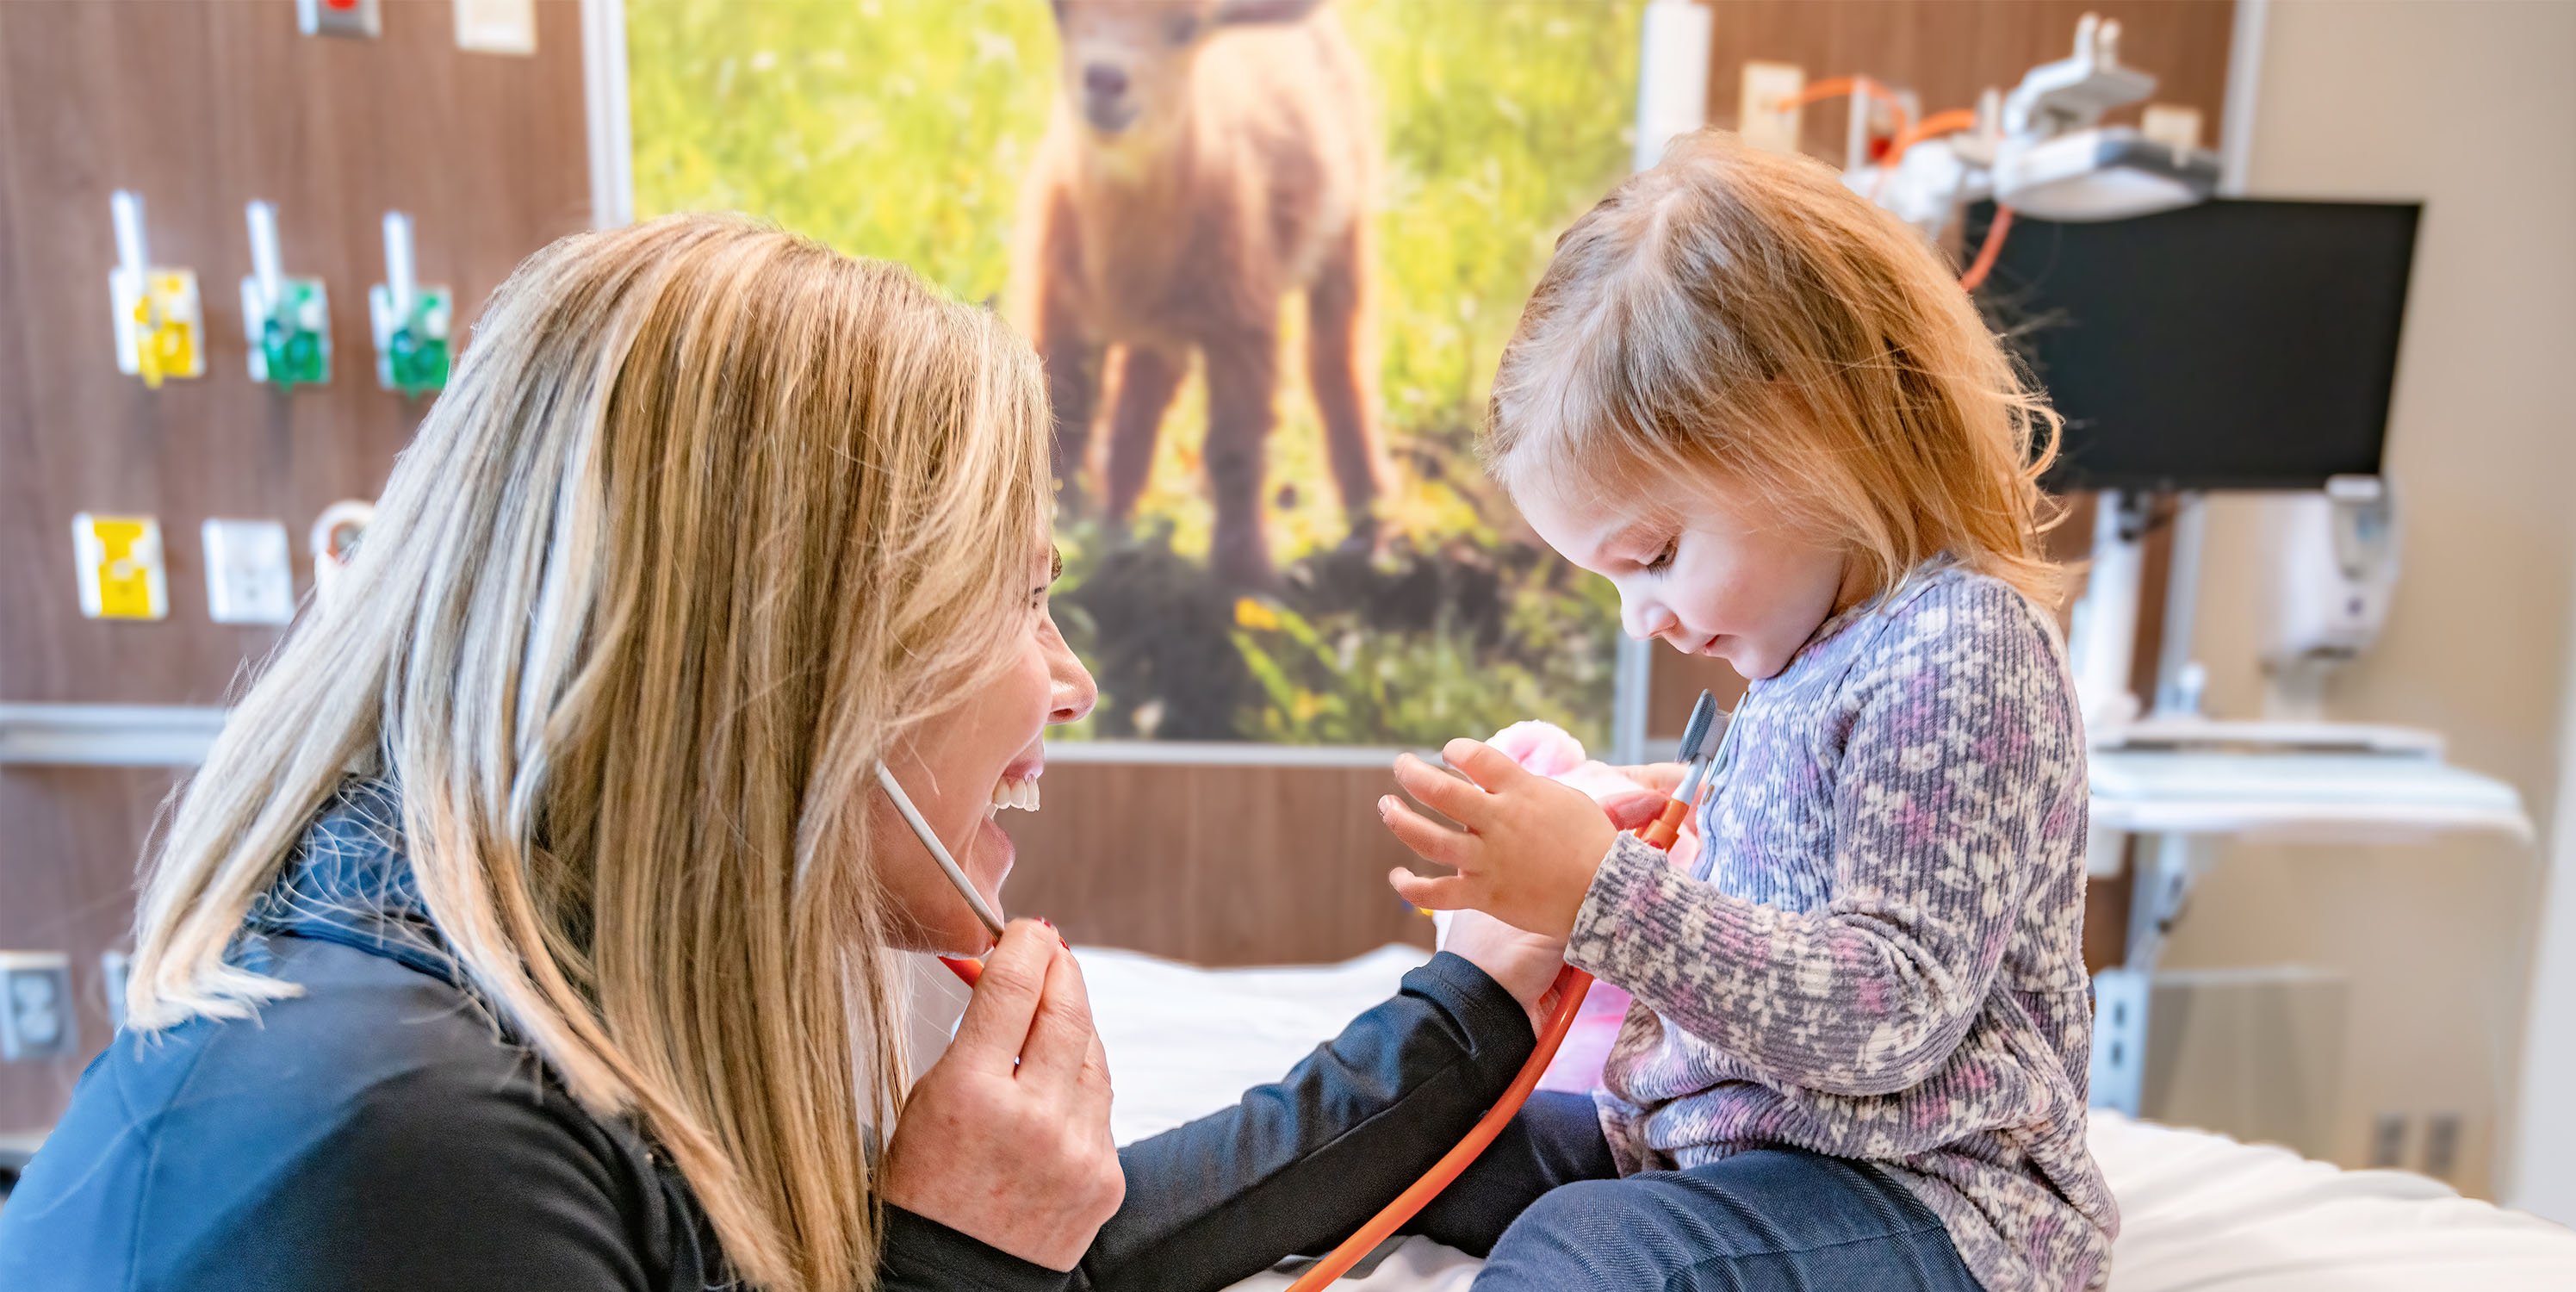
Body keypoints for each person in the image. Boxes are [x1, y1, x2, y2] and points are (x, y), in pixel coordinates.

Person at [0, 214, 1569, 1292]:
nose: (1071, 681)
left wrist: (1471, 1008)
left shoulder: (569, 988)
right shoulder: (404, 1146)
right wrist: (952, 1266)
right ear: (800, 668)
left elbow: (1073, 1247)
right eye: (1022, 599)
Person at [1374, 133, 2120, 1292]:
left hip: (1934, 1195)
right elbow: (1794, 908)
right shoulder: (1803, 668)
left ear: (1801, 427)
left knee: (1586, 1247)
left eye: (1658, 555)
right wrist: (1685, 833)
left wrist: (1604, 895)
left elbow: (1892, 1012)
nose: (1644, 619)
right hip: (1739, 1149)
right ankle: (1130, 1236)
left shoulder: (1957, 647)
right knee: (1418, 1150)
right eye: (1615, 579)